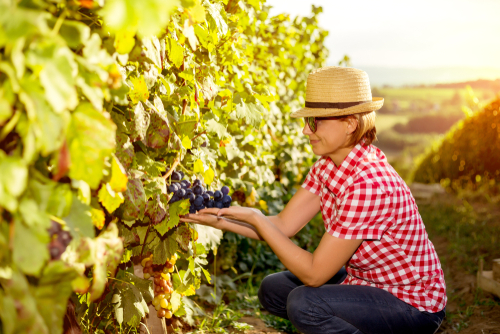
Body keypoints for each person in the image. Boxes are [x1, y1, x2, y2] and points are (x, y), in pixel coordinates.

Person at [180, 66, 447, 334]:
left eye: (315, 121)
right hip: (368, 282)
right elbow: (283, 225)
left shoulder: (368, 184)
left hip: (412, 304)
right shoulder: (327, 166)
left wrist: (255, 218)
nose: (306, 131)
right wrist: (219, 219)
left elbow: (314, 273)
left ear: (351, 123)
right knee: (273, 289)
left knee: (304, 303)